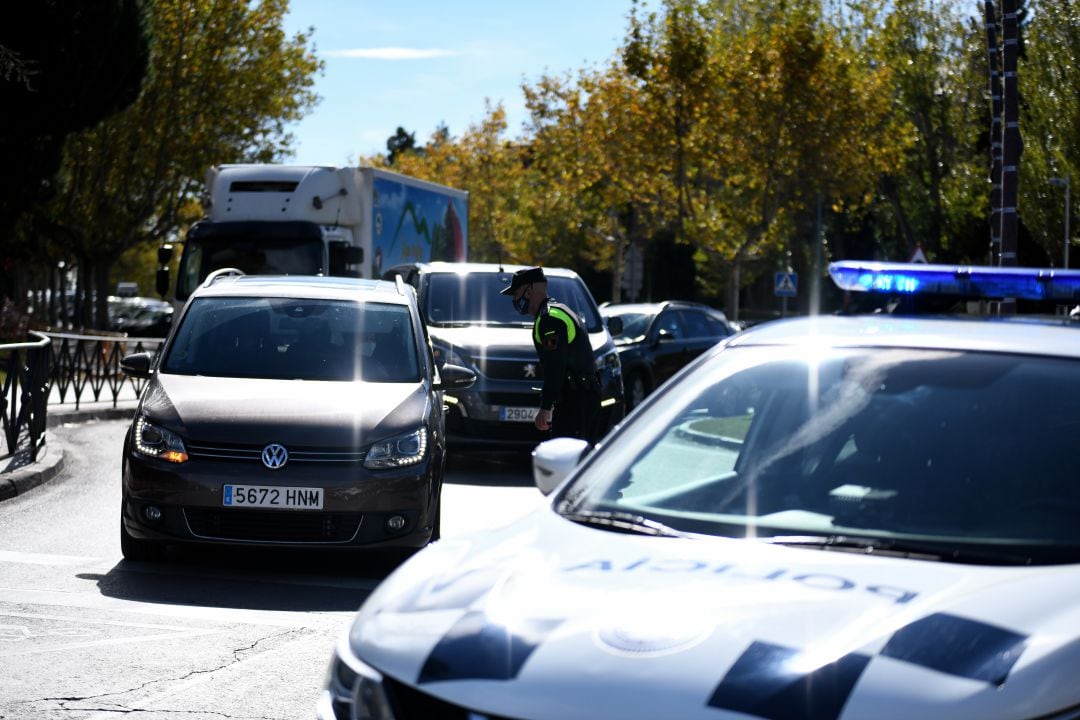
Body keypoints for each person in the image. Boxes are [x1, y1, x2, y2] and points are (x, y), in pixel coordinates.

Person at [501, 266, 601, 442]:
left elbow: (556, 366)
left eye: (516, 294)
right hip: (582, 394)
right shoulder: (558, 310)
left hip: (576, 399)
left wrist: (545, 407)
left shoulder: (549, 319)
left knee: (566, 456)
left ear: (529, 291)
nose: (515, 300)